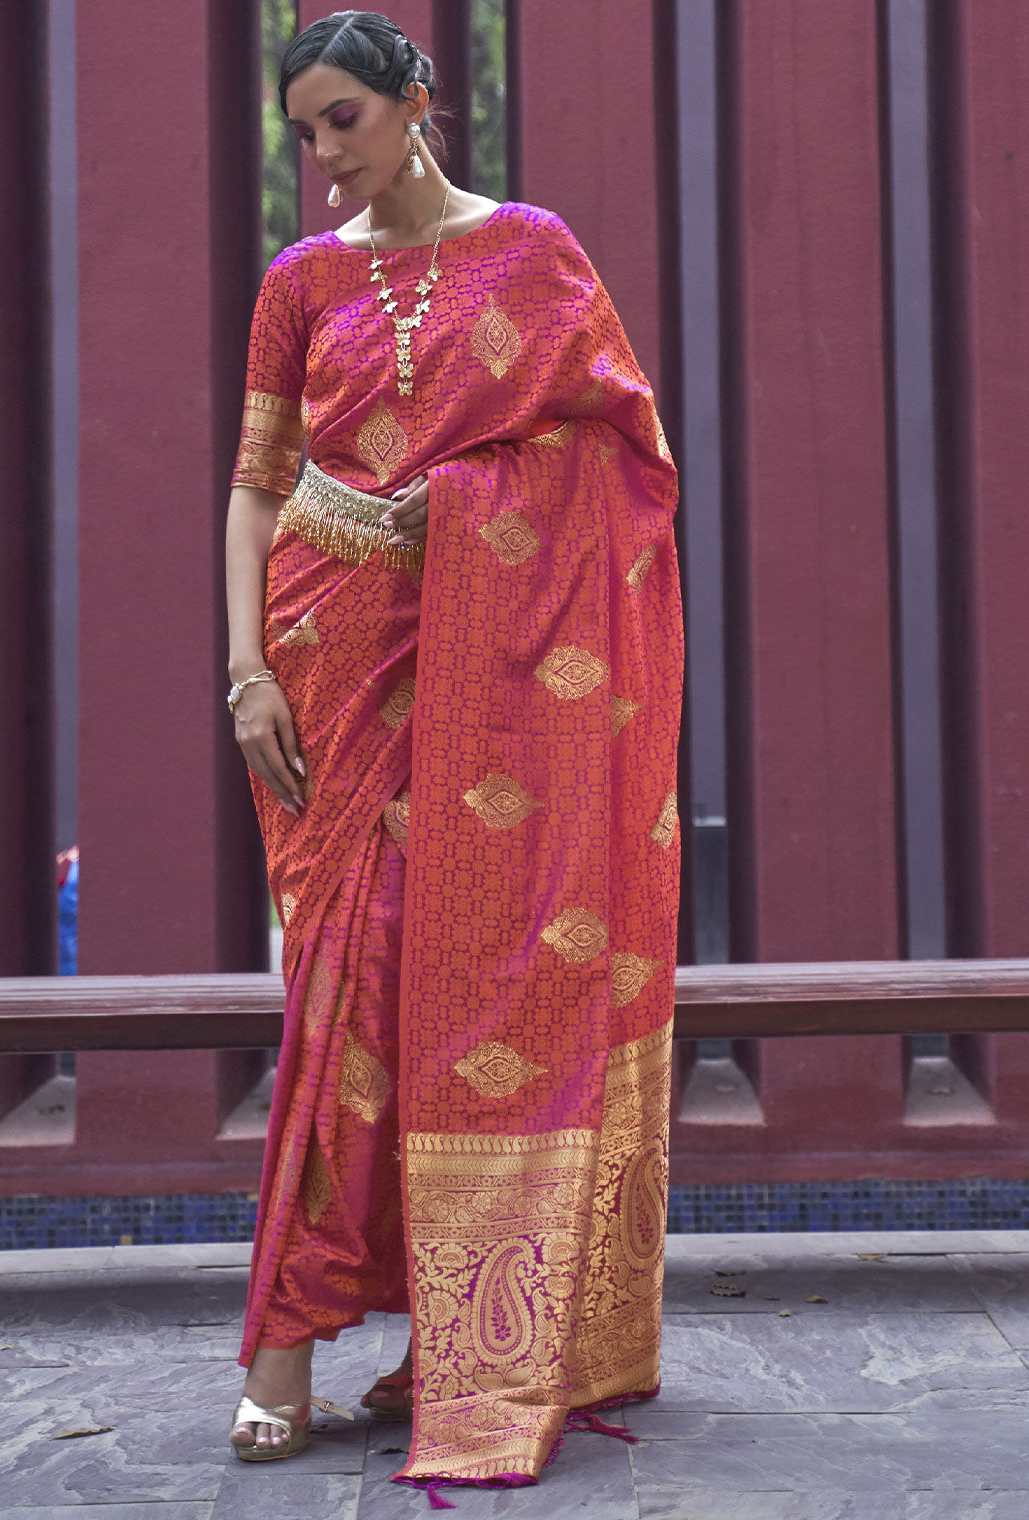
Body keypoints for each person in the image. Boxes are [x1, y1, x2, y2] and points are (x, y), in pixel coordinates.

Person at [224, 8, 684, 1500]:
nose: (324, 156)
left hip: (490, 667)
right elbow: (258, 488)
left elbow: (624, 461)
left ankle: (459, 1341)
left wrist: (479, 510)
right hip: (322, 659)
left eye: (344, 119)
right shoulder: (298, 282)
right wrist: (243, 672)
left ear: (421, 102)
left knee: (462, 982)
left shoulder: (537, 254)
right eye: (304, 132)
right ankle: (283, 1346)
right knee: (338, 988)